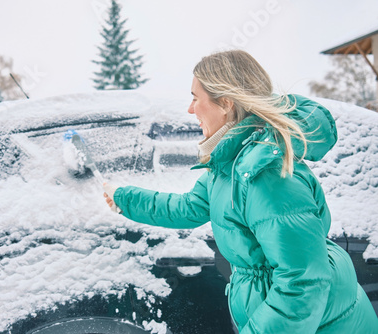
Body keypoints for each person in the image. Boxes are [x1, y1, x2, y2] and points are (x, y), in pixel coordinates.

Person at [103, 50, 378, 333]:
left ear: (225, 103)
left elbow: (303, 283)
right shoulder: (230, 163)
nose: (190, 109)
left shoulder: (264, 174)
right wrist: (124, 197)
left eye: (196, 98)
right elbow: (188, 207)